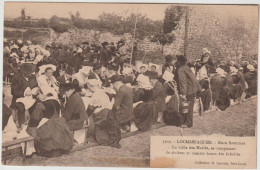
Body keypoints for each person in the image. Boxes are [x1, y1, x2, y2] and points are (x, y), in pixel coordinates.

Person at [86, 79, 121, 148]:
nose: (89, 89)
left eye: (89, 87)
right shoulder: (103, 93)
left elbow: (91, 108)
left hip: (101, 115)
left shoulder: (95, 95)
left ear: (92, 86)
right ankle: (113, 140)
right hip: (108, 113)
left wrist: (86, 115)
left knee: (91, 118)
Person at [176, 55, 201, 128]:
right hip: (192, 89)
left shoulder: (180, 70)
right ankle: (186, 122)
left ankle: (188, 123)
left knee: (186, 107)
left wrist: (183, 93)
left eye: (177, 60)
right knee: (189, 107)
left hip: (188, 91)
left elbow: (183, 82)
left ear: (179, 61)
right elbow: (193, 79)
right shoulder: (187, 67)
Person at [11, 63, 38, 130]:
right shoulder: (16, 78)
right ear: (24, 72)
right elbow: (13, 92)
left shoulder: (33, 76)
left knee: (38, 105)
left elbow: (35, 86)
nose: (30, 74)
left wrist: (36, 90)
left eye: (31, 72)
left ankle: (33, 124)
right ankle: (21, 125)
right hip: (19, 98)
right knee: (21, 108)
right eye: (29, 72)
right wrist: (24, 93)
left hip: (31, 97)